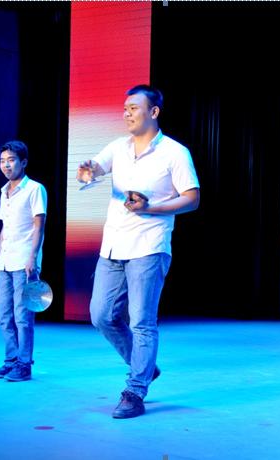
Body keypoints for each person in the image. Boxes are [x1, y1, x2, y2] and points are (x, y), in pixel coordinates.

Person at [77, 84, 200, 418]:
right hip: (113, 245)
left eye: (134, 107)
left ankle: (135, 390)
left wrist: (151, 208)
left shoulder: (175, 152)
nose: (127, 113)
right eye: (125, 108)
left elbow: (192, 198)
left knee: (142, 321)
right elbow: (94, 169)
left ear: (154, 112)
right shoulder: (118, 147)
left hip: (149, 245)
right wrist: (87, 172)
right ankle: (144, 366)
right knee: (101, 315)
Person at [0, 140, 47, 382]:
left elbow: (39, 226)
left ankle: (24, 364)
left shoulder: (35, 189)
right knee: (4, 315)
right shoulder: (4, 192)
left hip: (24, 261)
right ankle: (11, 360)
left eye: (11, 160)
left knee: (22, 316)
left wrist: (33, 256)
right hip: (5, 261)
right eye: (2, 161)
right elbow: (4, 228)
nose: (6, 165)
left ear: (23, 162)